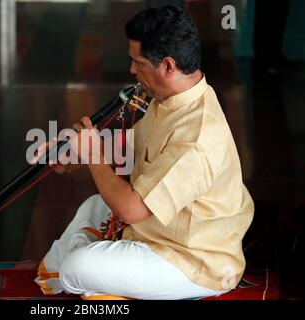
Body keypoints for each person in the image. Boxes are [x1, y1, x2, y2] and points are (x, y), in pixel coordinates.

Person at [34, 5, 254, 300]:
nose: (132, 70)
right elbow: (134, 154)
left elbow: (131, 210)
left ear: (167, 66)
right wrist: (77, 157)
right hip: (157, 228)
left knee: (76, 267)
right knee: (94, 205)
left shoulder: (197, 138)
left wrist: (94, 157)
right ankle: (104, 267)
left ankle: (94, 269)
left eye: (138, 62)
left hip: (191, 260)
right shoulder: (172, 99)